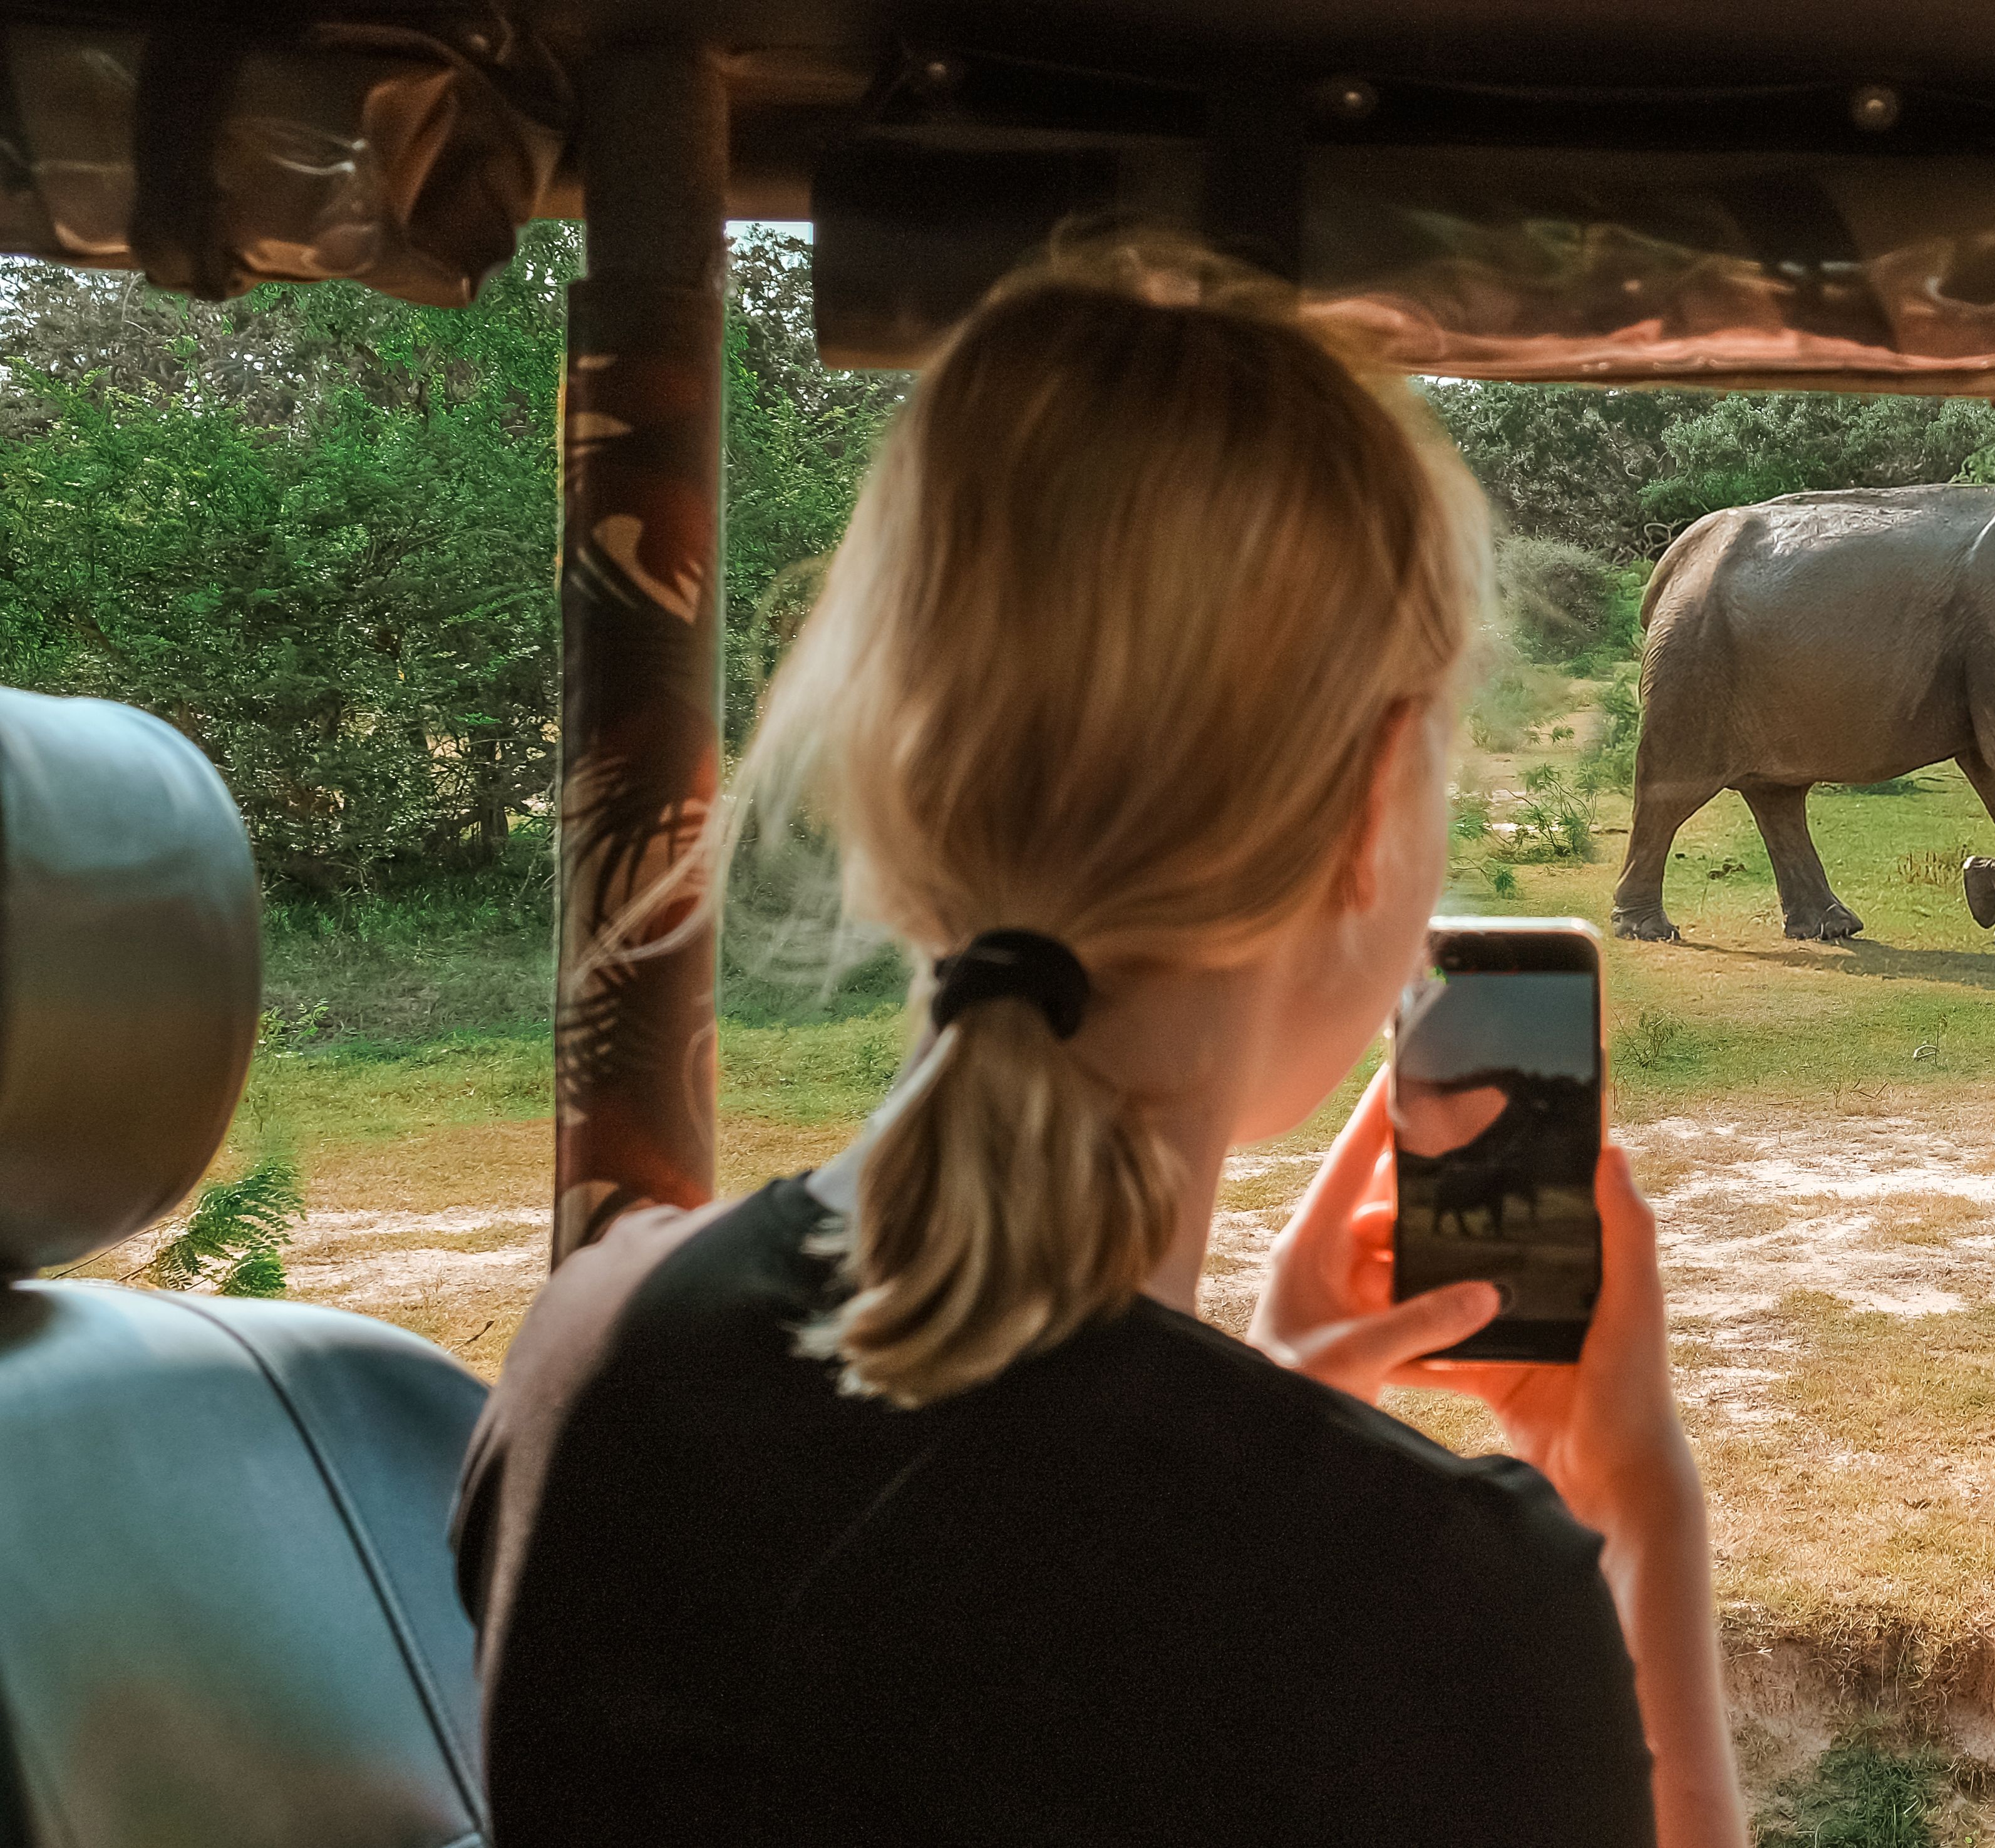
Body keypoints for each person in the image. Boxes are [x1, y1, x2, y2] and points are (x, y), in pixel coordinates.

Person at [453, 260, 1742, 1847]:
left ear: (901, 756)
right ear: (1369, 808)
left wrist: (1250, 1405)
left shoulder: (594, 1357)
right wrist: (1634, 1510)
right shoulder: (1434, 1599)